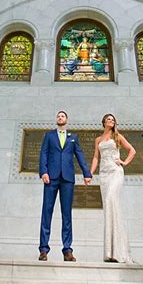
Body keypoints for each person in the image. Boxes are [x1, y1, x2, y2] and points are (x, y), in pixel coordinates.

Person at [39, 110, 92, 261]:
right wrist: (44, 171)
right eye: (58, 116)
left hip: (67, 178)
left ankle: (67, 250)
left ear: (67, 120)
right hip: (51, 178)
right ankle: (43, 249)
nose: (60, 117)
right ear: (56, 119)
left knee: (66, 214)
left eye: (62, 116)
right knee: (46, 212)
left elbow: (80, 155)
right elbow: (43, 153)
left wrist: (86, 173)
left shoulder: (73, 137)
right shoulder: (49, 136)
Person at [90, 113, 136, 263]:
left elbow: (132, 150)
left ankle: (119, 251)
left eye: (113, 119)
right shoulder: (98, 140)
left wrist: (124, 162)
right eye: (108, 119)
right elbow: (96, 157)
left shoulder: (118, 136)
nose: (111, 121)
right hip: (104, 175)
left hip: (115, 172)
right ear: (103, 122)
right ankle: (110, 252)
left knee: (111, 200)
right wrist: (89, 173)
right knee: (108, 208)